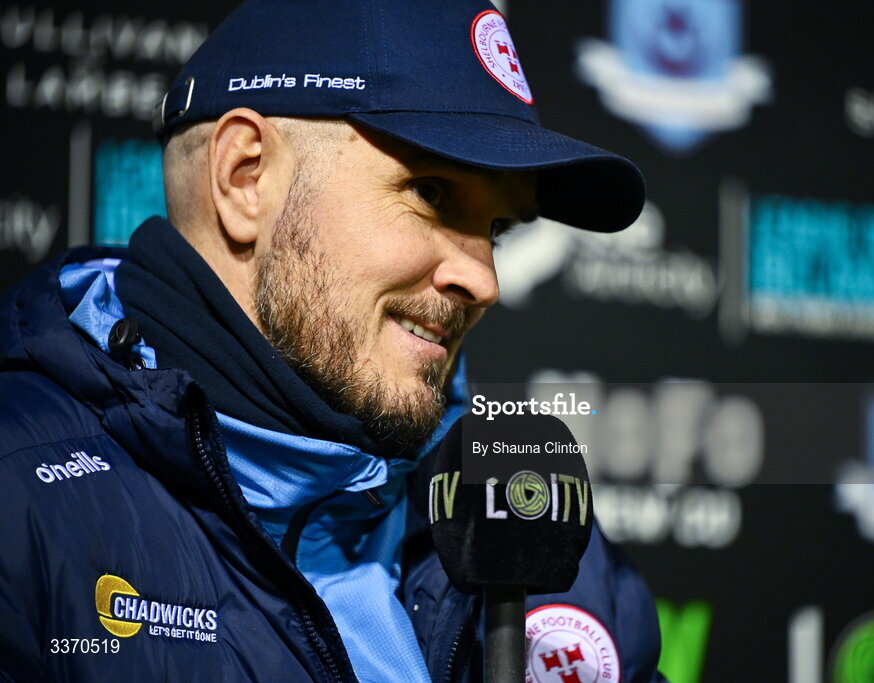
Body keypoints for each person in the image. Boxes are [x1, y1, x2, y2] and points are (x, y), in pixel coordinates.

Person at [0, 0, 662, 680]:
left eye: (495, 230)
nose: (484, 280)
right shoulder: (22, 505)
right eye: (431, 192)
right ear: (246, 176)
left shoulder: (521, 524)